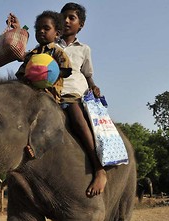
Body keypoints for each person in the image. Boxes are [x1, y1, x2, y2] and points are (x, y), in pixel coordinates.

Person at [8, 3, 107, 198]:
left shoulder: (83, 49)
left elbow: (87, 74)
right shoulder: (45, 46)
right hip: (46, 94)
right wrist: (19, 28)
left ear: (81, 25)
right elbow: (27, 56)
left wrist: (94, 86)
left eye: (72, 18)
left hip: (72, 94)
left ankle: (99, 169)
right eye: (64, 17)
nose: (68, 21)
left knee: (79, 121)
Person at [14, 10, 72, 103]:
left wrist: (47, 74)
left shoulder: (57, 52)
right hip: (29, 92)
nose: (41, 31)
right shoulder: (32, 54)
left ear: (57, 34)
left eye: (46, 28)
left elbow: (67, 71)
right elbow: (21, 73)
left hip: (49, 94)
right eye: (38, 29)